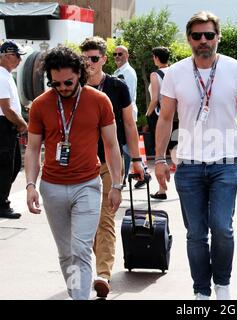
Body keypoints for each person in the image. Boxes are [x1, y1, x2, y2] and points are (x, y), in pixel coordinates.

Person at [155, 11, 237, 300]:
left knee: (222, 228)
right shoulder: (175, 73)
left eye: (209, 35)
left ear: (218, 37)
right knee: (196, 234)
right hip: (187, 165)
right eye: (197, 35)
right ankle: (201, 291)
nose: (204, 41)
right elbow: (165, 119)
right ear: (188, 39)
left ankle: (222, 285)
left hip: (226, 163)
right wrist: (160, 160)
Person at [24, 46, 123, 300]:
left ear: (80, 73)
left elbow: (111, 145)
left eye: (68, 82)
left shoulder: (100, 101)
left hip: (88, 184)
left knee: (80, 248)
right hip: (52, 187)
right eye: (56, 83)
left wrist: (117, 185)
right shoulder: (40, 105)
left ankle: (80, 297)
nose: (63, 87)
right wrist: (30, 186)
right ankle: (76, 291)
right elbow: (33, 149)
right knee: (66, 252)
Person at [79, 36, 144, 298]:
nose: (89, 63)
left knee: (105, 218)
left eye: (94, 58)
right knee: (87, 221)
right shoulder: (75, 86)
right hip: (81, 163)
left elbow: (129, 124)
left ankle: (103, 274)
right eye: (85, 58)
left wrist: (138, 159)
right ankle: (96, 267)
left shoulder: (118, 87)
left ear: (104, 59)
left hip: (110, 161)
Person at [143, 46, 176, 198]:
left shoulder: (155, 74)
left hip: (160, 115)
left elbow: (155, 98)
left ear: (156, 57)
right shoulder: (175, 71)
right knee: (174, 150)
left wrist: (147, 114)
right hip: (176, 115)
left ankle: (162, 190)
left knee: (159, 152)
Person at [0, 41, 28, 219]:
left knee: (13, 165)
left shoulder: (6, 75)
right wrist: (22, 124)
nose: (20, 60)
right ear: (7, 56)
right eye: (18, 56)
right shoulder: (1, 76)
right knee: (5, 167)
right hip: (3, 125)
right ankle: (2, 204)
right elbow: (6, 108)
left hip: (7, 125)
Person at [112, 45, 138, 187]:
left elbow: (128, 95)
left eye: (120, 54)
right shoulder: (119, 71)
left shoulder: (128, 72)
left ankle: (126, 177)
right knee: (125, 146)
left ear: (126, 55)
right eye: (115, 54)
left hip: (126, 114)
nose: (117, 56)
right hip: (121, 114)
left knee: (126, 147)